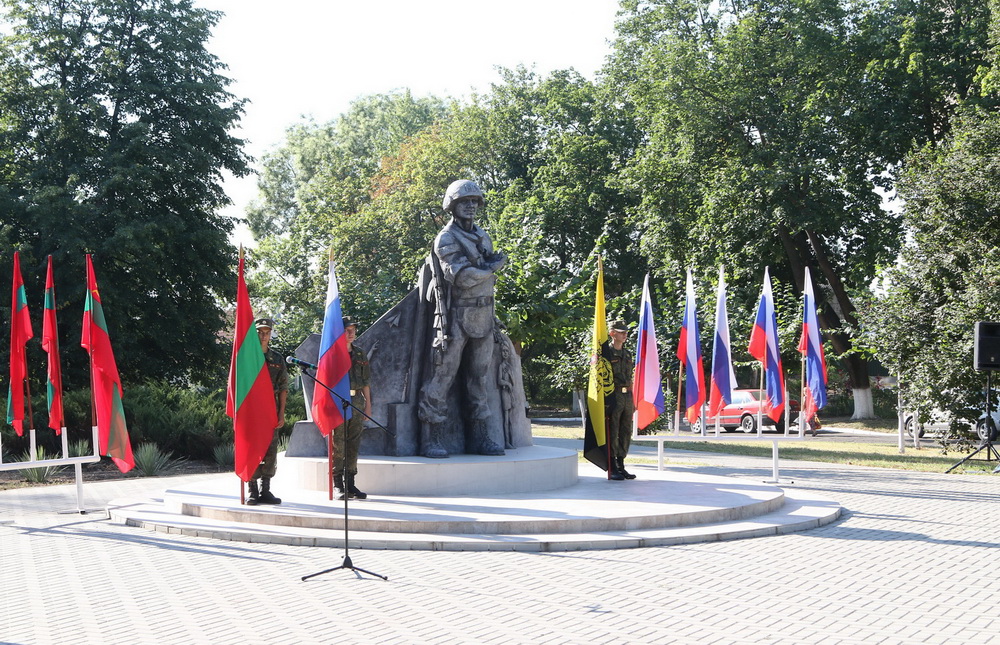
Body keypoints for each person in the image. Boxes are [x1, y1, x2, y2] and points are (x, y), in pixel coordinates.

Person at [417, 179, 507, 458]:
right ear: (452, 206)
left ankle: (480, 437)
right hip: (456, 316)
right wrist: (493, 267)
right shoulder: (446, 238)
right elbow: (463, 277)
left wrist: (488, 270)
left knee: (479, 379)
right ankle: (432, 436)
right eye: (464, 201)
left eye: (474, 201)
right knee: (442, 376)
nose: (470, 206)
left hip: (484, 316)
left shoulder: (483, 236)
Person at [248, 317, 288, 505]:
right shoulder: (247, 357)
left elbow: (283, 388)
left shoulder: (277, 359)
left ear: (271, 334)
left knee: (270, 450)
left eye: (267, 332)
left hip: (271, 409)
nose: (264, 335)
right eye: (260, 332)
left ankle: (266, 490)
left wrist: (281, 413)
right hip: (253, 410)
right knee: (253, 448)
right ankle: (252, 490)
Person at [333, 317, 372, 500]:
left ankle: (350, 483)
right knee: (339, 444)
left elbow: (365, 382)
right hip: (339, 401)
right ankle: (338, 485)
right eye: (347, 330)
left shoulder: (360, 354)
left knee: (353, 444)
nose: (351, 333)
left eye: (353, 330)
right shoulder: (333, 354)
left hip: (357, 401)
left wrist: (368, 405)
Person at [603, 320, 636, 480]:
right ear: (612, 333)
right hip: (613, 395)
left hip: (627, 396)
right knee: (613, 430)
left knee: (625, 430)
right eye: (621, 332)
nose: (625, 335)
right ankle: (612, 465)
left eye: (626, 332)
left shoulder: (627, 354)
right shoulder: (606, 353)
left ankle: (621, 463)